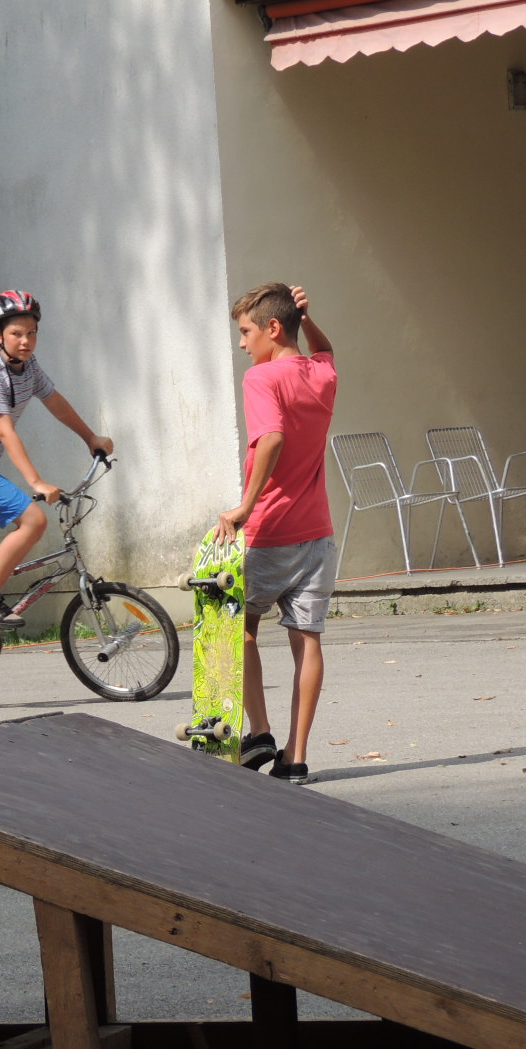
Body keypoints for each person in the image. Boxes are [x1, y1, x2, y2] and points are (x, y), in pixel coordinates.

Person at [0, 289, 114, 632]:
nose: (26, 341)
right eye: (16, 334)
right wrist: (36, 481)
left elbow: (55, 402)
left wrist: (90, 437)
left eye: (32, 333)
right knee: (33, 521)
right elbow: (5, 432)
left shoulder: (28, 365)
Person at [215, 283, 337, 784]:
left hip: (270, 531)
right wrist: (306, 318)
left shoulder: (261, 377)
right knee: (307, 640)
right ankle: (295, 757)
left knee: (236, 626)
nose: (242, 343)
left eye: (246, 332)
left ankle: (260, 731)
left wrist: (245, 507)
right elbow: (325, 350)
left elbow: (272, 438)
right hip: (318, 536)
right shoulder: (322, 374)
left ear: (271, 328)